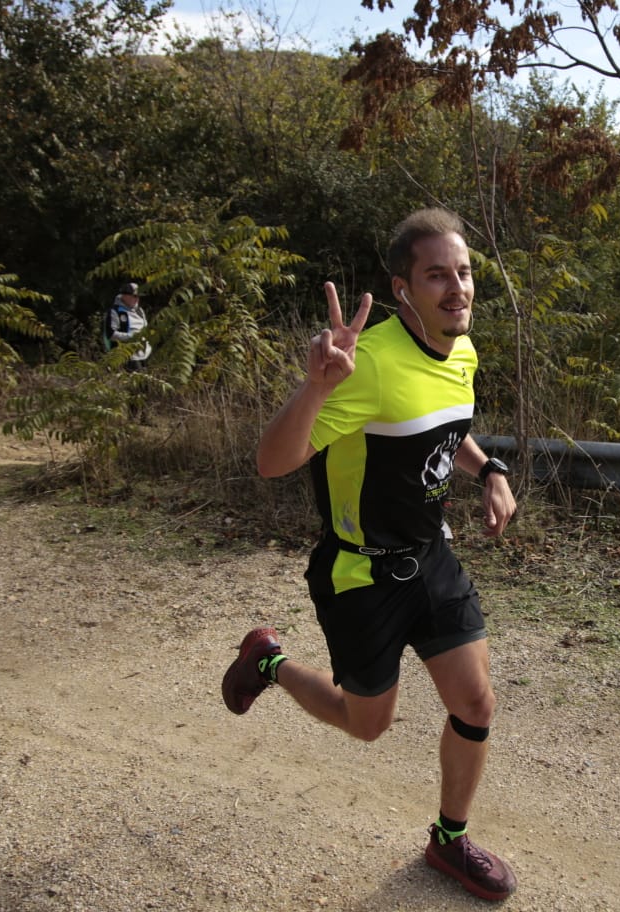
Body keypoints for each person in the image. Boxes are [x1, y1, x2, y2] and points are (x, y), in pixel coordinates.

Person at [222, 208, 519, 901]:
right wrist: (317, 386)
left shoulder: (463, 350)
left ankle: (449, 841)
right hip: (360, 572)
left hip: (430, 555)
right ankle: (267, 659)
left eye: (465, 272)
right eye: (436, 275)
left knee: (476, 701)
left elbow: (449, 432)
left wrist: (492, 470)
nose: (458, 288)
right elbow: (271, 462)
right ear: (402, 290)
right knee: (367, 725)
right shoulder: (371, 365)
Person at [104, 281, 151, 370]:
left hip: (145, 354)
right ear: (124, 296)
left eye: (138, 297)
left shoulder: (140, 311)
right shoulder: (115, 312)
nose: (137, 299)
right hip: (127, 355)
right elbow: (110, 334)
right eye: (134, 296)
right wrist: (131, 337)